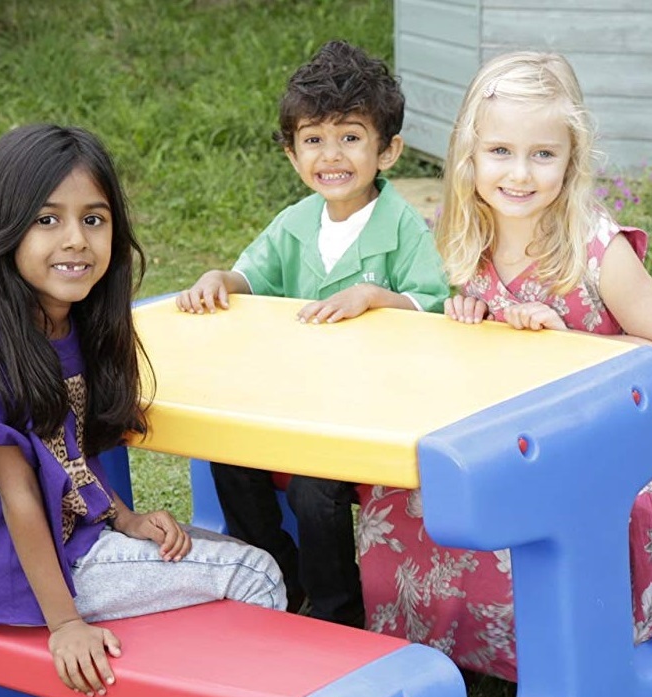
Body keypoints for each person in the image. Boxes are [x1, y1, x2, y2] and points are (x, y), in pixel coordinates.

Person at [0, 124, 304, 697]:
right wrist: (64, 621)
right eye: (47, 218)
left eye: (92, 219)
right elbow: (19, 495)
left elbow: (62, 454)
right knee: (254, 571)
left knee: (196, 556)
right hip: (13, 569)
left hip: (69, 546)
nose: (75, 239)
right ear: (1, 228)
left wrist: (123, 517)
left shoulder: (65, 323)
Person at [357, 51, 652, 690]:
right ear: (469, 156)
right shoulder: (458, 237)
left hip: (607, 433)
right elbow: (462, 340)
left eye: (543, 154)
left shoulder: (594, 249)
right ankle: (441, 652)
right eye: (500, 151)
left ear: (571, 159)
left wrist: (575, 347)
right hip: (507, 426)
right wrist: (463, 311)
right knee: (407, 495)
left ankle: (559, 672)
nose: (520, 173)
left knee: (552, 512)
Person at [175, 40, 450, 629]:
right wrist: (217, 278)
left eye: (350, 137)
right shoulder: (294, 224)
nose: (332, 155)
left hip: (375, 414)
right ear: (292, 153)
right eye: (313, 139)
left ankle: (337, 612)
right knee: (229, 454)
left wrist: (382, 300)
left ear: (388, 150)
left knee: (313, 488)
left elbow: (437, 309)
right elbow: (251, 275)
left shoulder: (404, 229)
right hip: (296, 402)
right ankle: (279, 572)